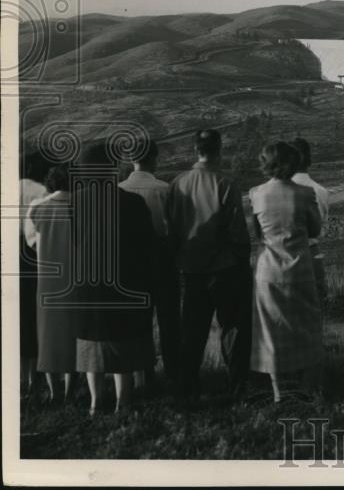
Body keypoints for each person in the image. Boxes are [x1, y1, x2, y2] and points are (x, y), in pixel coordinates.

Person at [73, 141, 158, 415]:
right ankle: (124, 401)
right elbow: (148, 248)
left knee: (91, 344)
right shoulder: (133, 203)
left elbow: (73, 246)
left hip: (88, 285)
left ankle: (96, 402)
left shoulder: (75, 203)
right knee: (126, 341)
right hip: (126, 283)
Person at [167, 128, 251, 399]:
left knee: (192, 332)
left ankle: (187, 389)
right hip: (225, 268)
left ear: (195, 150)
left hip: (192, 270)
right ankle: (236, 386)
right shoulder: (226, 183)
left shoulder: (177, 183)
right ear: (219, 149)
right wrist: (241, 259)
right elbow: (238, 231)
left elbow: (173, 230)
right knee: (233, 329)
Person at [249, 142, 324, 403]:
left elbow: (257, 234)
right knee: (308, 328)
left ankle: (279, 394)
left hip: (268, 272)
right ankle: (307, 389)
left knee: (271, 332)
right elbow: (315, 230)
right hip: (300, 269)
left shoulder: (256, 193)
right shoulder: (305, 193)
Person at [119, 138, 180, 388]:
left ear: (131, 159)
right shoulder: (164, 189)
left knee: (138, 320)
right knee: (169, 319)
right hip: (162, 256)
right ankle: (175, 372)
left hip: (131, 261)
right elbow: (175, 226)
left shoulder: (120, 188)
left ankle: (142, 375)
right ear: (155, 158)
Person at [27, 163, 77, 405]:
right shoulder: (80, 209)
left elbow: (32, 244)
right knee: (72, 335)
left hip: (46, 281)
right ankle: (70, 390)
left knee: (47, 335)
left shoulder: (38, 209)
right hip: (74, 280)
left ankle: (54, 391)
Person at [19, 152, 50, 400]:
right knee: (34, 311)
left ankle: (21, 376)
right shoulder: (41, 191)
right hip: (33, 254)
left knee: (18, 314)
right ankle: (35, 375)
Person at [290, 137, 330, 302]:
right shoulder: (321, 191)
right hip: (312, 256)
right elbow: (322, 228)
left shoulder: (273, 192)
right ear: (309, 161)